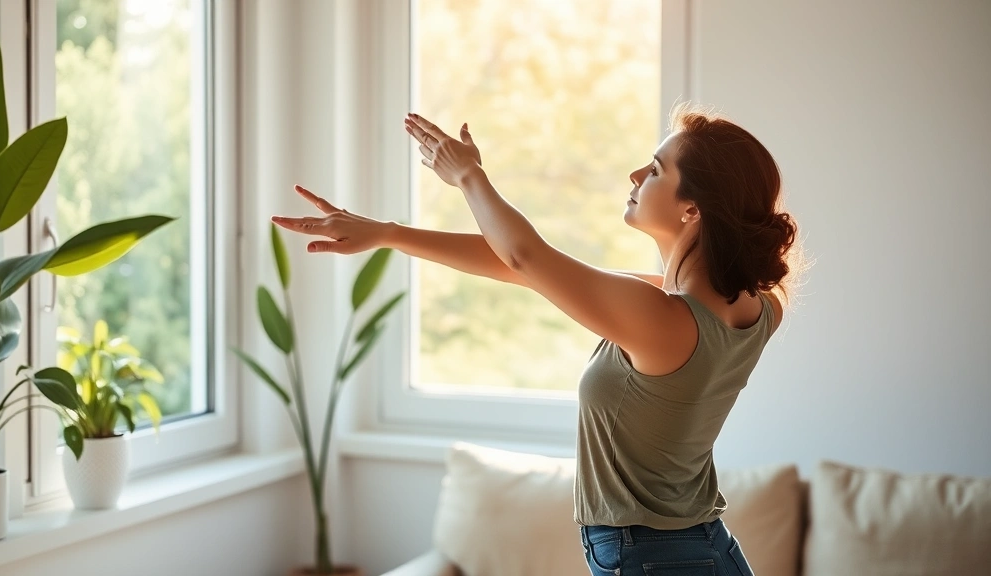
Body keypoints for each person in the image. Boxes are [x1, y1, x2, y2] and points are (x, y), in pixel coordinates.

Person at [273, 103, 800, 576]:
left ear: (693, 209)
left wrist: (469, 177)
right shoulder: (755, 306)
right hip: (701, 551)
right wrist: (387, 232)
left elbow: (527, 256)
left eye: (657, 170)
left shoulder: (661, 318)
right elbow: (524, 267)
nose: (636, 174)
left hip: (654, 560)